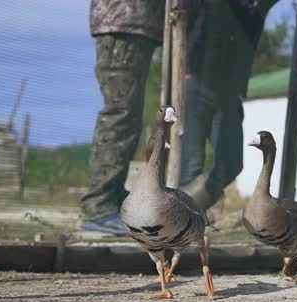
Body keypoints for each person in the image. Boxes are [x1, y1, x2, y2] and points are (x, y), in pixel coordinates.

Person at [80, 0, 276, 234]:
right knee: (122, 113)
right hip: (126, 22)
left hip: (137, 24)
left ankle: (115, 202)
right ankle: (100, 206)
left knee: (127, 116)